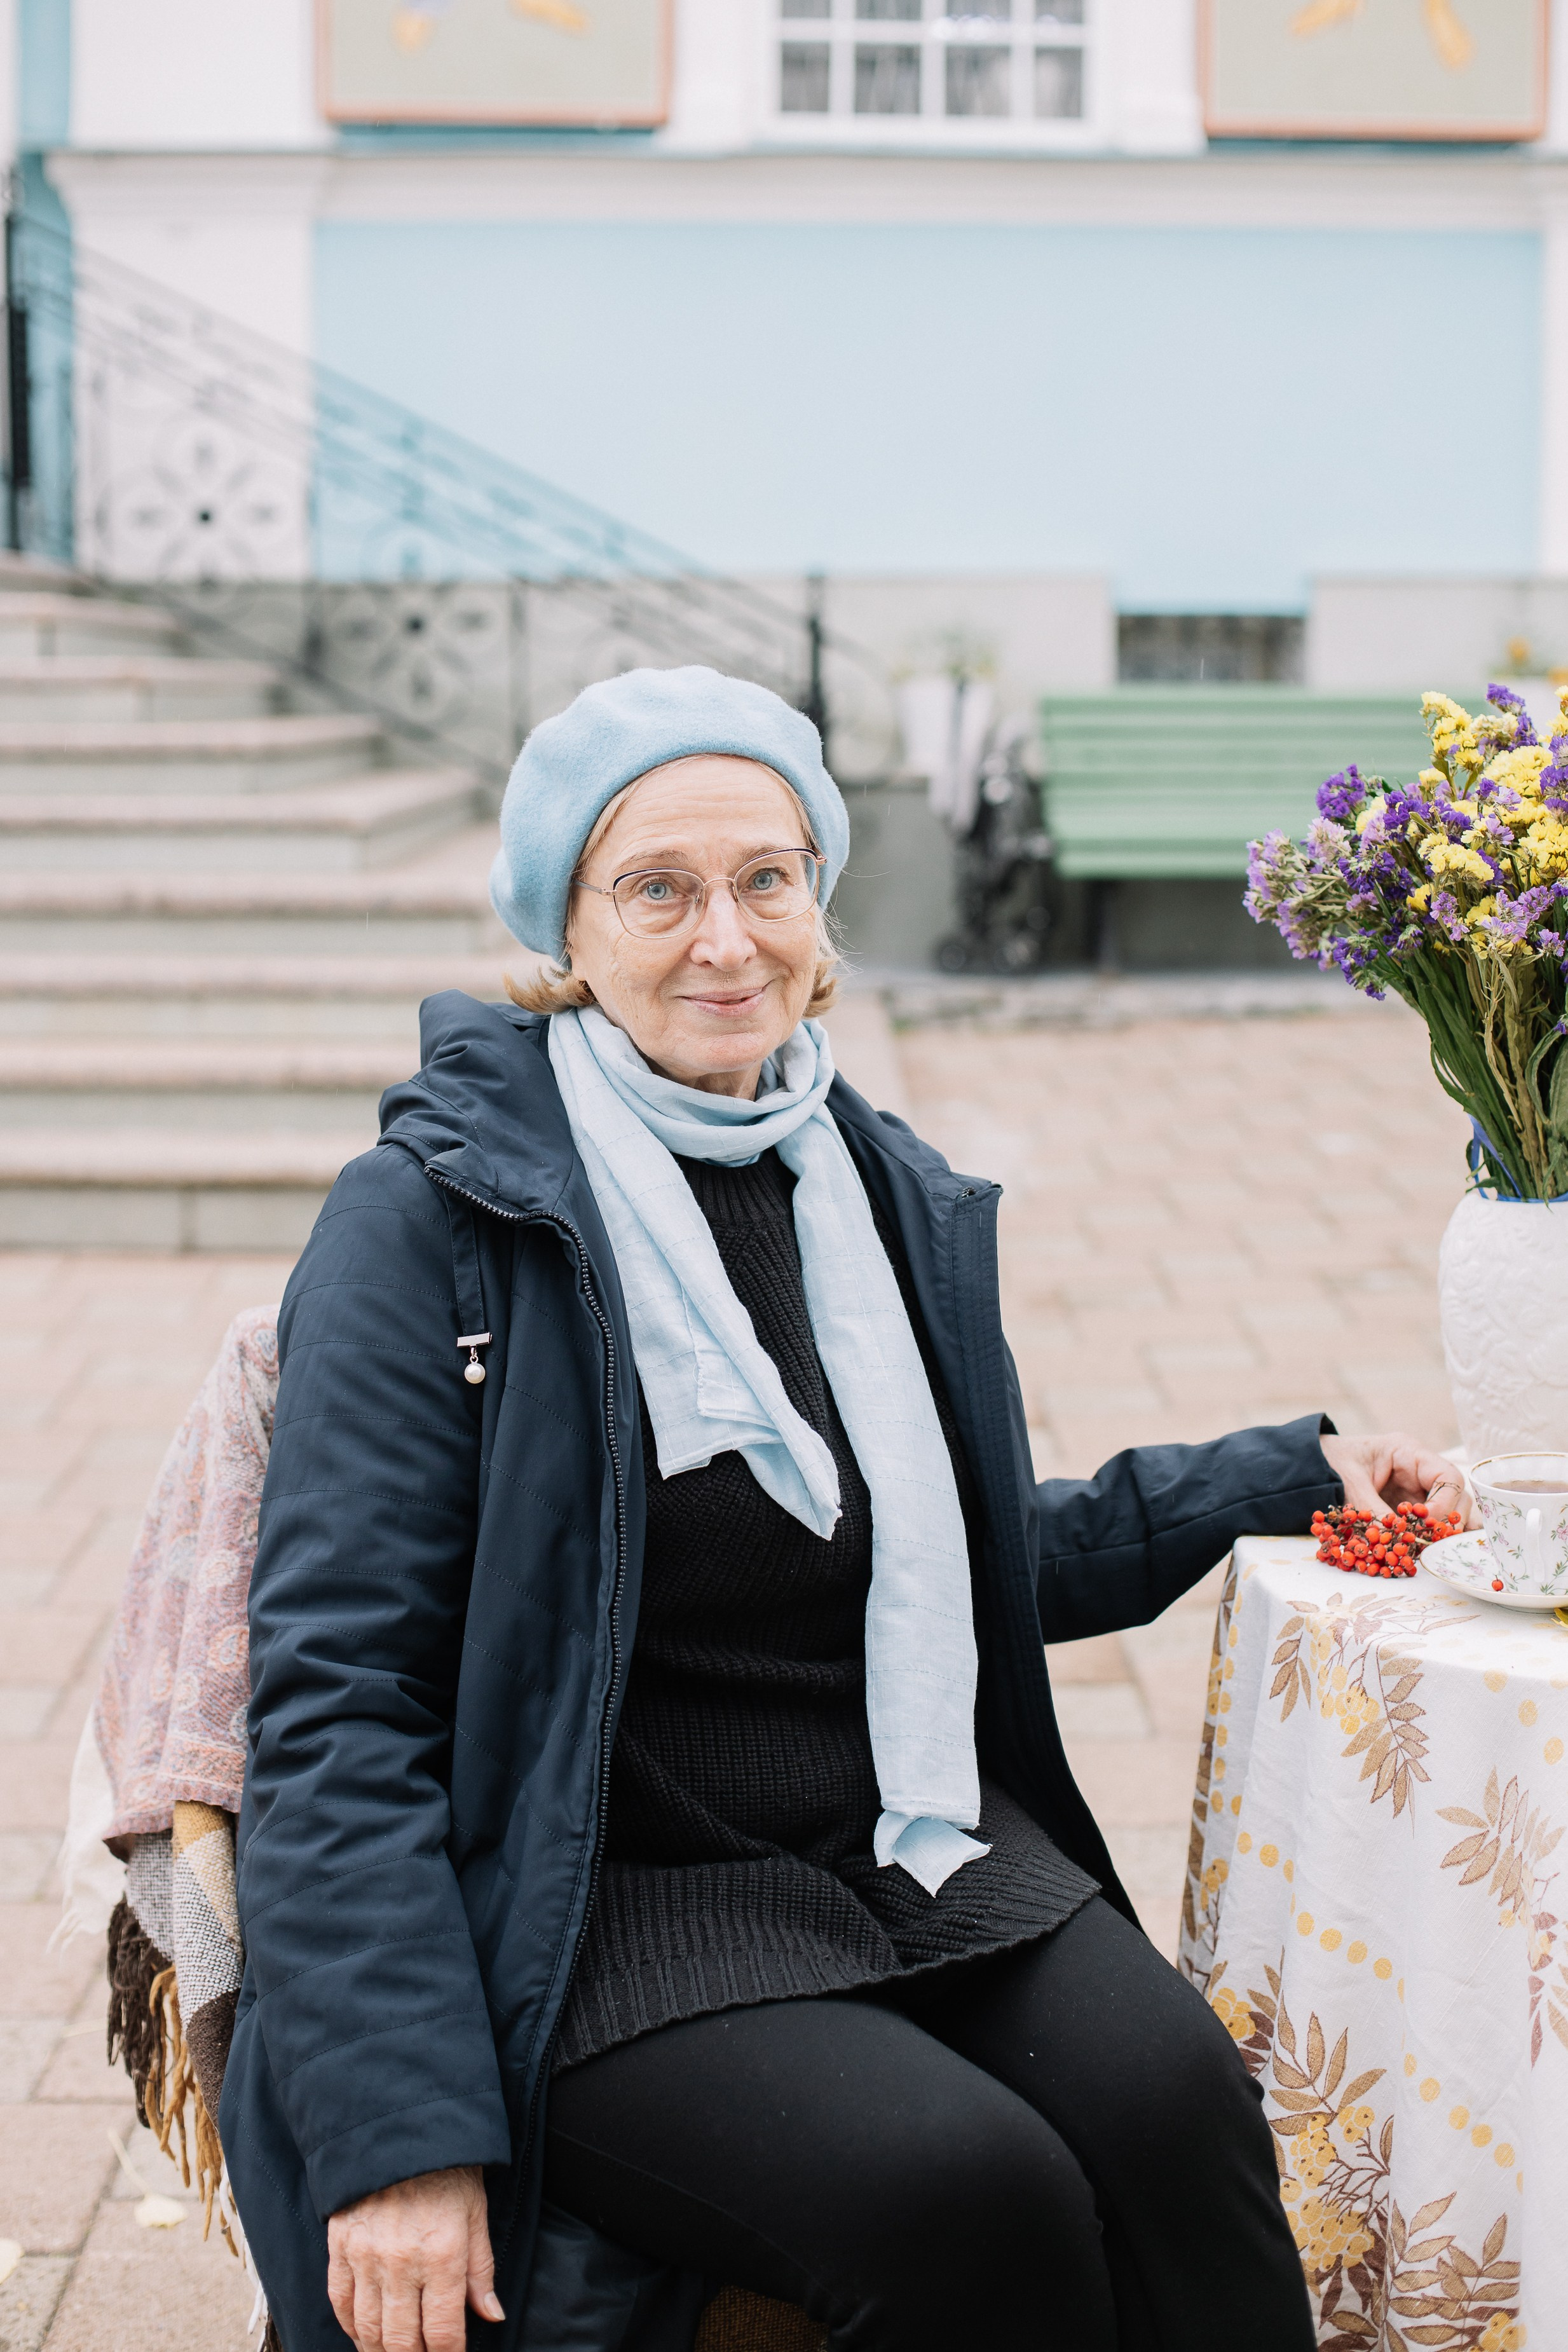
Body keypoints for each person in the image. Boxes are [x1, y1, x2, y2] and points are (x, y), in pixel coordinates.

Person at [226, 666, 1469, 2352]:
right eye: (657, 887)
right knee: (965, 2194)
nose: (723, 937)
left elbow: (943, 1545)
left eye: (766, 878)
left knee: (1184, 2109)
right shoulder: (431, 1221)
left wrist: (1276, 1474)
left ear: (818, 905)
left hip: (901, 1834)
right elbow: (337, 1701)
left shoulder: (865, 1178)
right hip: (605, 1892)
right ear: (563, 929)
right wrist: (396, 2131)